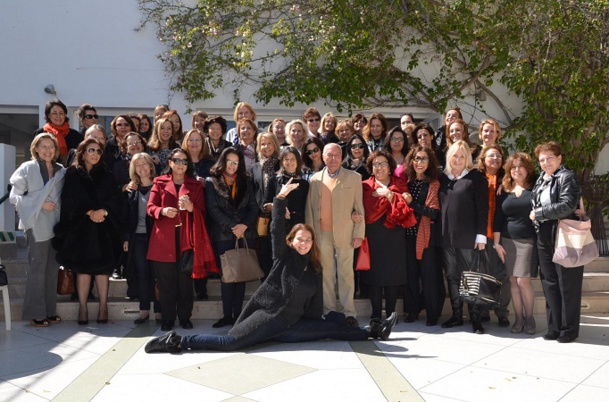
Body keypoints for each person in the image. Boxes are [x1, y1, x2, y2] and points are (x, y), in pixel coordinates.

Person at [145, 183, 398, 354]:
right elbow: (277, 229)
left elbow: (314, 303)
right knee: (230, 343)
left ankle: (374, 330)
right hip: (268, 318)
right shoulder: (284, 258)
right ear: (292, 241)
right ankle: (176, 341)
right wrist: (279, 199)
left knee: (330, 328)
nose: (304, 243)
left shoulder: (315, 267)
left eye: (308, 240)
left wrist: (321, 322)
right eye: (300, 239)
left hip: (292, 326)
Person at [54, 138, 124, 325]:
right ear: (82, 152)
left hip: (104, 228)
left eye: (99, 151)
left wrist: (104, 211)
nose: (95, 154)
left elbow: (116, 199)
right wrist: (89, 212)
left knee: (103, 270)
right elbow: (68, 200)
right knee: (83, 270)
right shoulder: (72, 174)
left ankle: (103, 306)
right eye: (91, 150)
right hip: (81, 228)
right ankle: (83, 307)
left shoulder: (107, 174)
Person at [147, 148, 217, 331]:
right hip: (163, 241)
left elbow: (202, 212)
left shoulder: (195, 185)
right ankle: (168, 319)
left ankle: (185, 317)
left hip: (187, 240)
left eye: (185, 161)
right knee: (165, 283)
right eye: (177, 161)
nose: (181, 165)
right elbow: (150, 207)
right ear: (170, 162)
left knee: (185, 284)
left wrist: (191, 207)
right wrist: (162, 211)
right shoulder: (159, 182)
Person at [305, 143, 365, 327]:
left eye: (336, 155)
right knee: (326, 275)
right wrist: (310, 236)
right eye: (329, 155)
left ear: (342, 157)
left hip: (346, 233)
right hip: (321, 234)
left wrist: (358, 234)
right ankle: (329, 311)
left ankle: (349, 313)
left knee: (346, 274)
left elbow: (359, 208)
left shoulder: (354, 178)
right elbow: (309, 209)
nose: (333, 159)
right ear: (323, 157)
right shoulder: (314, 179)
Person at [10, 133, 65, 327]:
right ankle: (35, 312)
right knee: (37, 268)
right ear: (35, 148)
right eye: (44, 146)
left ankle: (49, 310)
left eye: (51, 147)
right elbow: (14, 196)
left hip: (56, 224)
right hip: (36, 223)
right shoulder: (27, 168)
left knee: (52, 268)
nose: (48, 150)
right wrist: (39, 204)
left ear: (56, 150)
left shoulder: (61, 171)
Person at [530, 141, 583, 343]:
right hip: (544, 232)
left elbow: (568, 204)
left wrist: (539, 213)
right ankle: (554, 327)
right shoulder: (541, 180)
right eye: (542, 160)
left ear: (559, 158)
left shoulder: (566, 176)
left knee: (567, 282)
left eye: (550, 158)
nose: (545, 162)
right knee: (549, 281)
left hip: (564, 231)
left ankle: (569, 329)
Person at [438, 140, 489, 334]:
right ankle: (457, 316)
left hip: (469, 237)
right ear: (449, 157)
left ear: (467, 158)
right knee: (452, 276)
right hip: (446, 237)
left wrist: (481, 235)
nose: (458, 159)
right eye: (454, 155)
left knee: (470, 278)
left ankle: (475, 318)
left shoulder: (476, 178)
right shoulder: (444, 179)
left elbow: (483, 208)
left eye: (462, 156)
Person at [205, 147, 259, 328]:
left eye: (236, 162)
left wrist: (244, 225)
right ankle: (227, 315)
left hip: (245, 233)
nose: (232, 166)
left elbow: (253, 207)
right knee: (228, 277)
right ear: (222, 161)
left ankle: (238, 315)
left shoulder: (247, 181)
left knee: (241, 275)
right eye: (229, 161)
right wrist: (232, 226)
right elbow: (213, 209)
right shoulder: (212, 182)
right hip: (224, 235)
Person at [361, 151, 414, 321]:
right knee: (374, 275)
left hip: (394, 233)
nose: (379, 167)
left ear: (390, 167)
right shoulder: (364, 186)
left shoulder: (399, 184)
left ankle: (391, 314)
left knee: (393, 274)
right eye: (376, 164)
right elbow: (358, 206)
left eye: (383, 163)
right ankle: (376, 314)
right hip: (373, 234)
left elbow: (405, 209)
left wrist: (390, 195)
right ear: (371, 168)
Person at [494, 152, 538, 335]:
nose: (516, 170)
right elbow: (498, 218)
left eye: (520, 166)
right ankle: (518, 318)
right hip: (507, 240)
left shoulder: (536, 188)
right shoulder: (503, 190)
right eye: (513, 167)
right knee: (512, 279)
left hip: (528, 241)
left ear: (527, 169)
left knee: (522, 280)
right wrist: (497, 244)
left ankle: (530, 318)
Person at [402, 146, 445, 326]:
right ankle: (412, 310)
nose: (420, 162)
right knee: (410, 276)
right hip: (407, 235)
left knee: (429, 276)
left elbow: (433, 213)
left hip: (426, 236)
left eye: (424, 159)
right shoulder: (407, 183)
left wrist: (411, 204)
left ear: (430, 162)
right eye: (417, 158)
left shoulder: (433, 183)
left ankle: (432, 314)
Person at [122, 153, 161, 324]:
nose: (142, 168)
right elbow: (127, 217)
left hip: (157, 237)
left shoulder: (159, 186)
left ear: (151, 166)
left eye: (144, 164)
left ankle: (160, 310)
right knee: (142, 274)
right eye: (137, 165)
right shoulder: (132, 190)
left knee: (158, 274)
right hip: (137, 238)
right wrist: (126, 238)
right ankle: (144, 309)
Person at [478, 145, 511, 327]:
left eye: (499, 155)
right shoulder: (478, 178)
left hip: (503, 234)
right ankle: (483, 309)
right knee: (483, 273)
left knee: (503, 275)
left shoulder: (507, 180)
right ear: (483, 159)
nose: (495, 159)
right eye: (491, 155)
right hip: (483, 234)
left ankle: (502, 311)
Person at [251, 132, 281, 277]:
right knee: (263, 255)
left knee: (277, 255)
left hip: (278, 216)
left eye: (269, 143)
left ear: (275, 144)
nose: (266, 146)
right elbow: (253, 191)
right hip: (261, 218)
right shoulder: (255, 167)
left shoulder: (282, 163)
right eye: (263, 143)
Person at [264, 147, 310, 232]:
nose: (289, 162)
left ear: (298, 161)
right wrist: (277, 207)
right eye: (286, 159)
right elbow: (265, 206)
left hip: (297, 226)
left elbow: (306, 208)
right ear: (282, 161)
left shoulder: (304, 184)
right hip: (278, 224)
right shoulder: (274, 180)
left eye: (292, 159)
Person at [34, 99, 83, 165]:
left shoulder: (76, 135)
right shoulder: (41, 133)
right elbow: (35, 154)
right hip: (46, 171)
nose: (58, 116)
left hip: (69, 172)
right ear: (48, 115)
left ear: (65, 115)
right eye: (54, 113)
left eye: (61, 113)